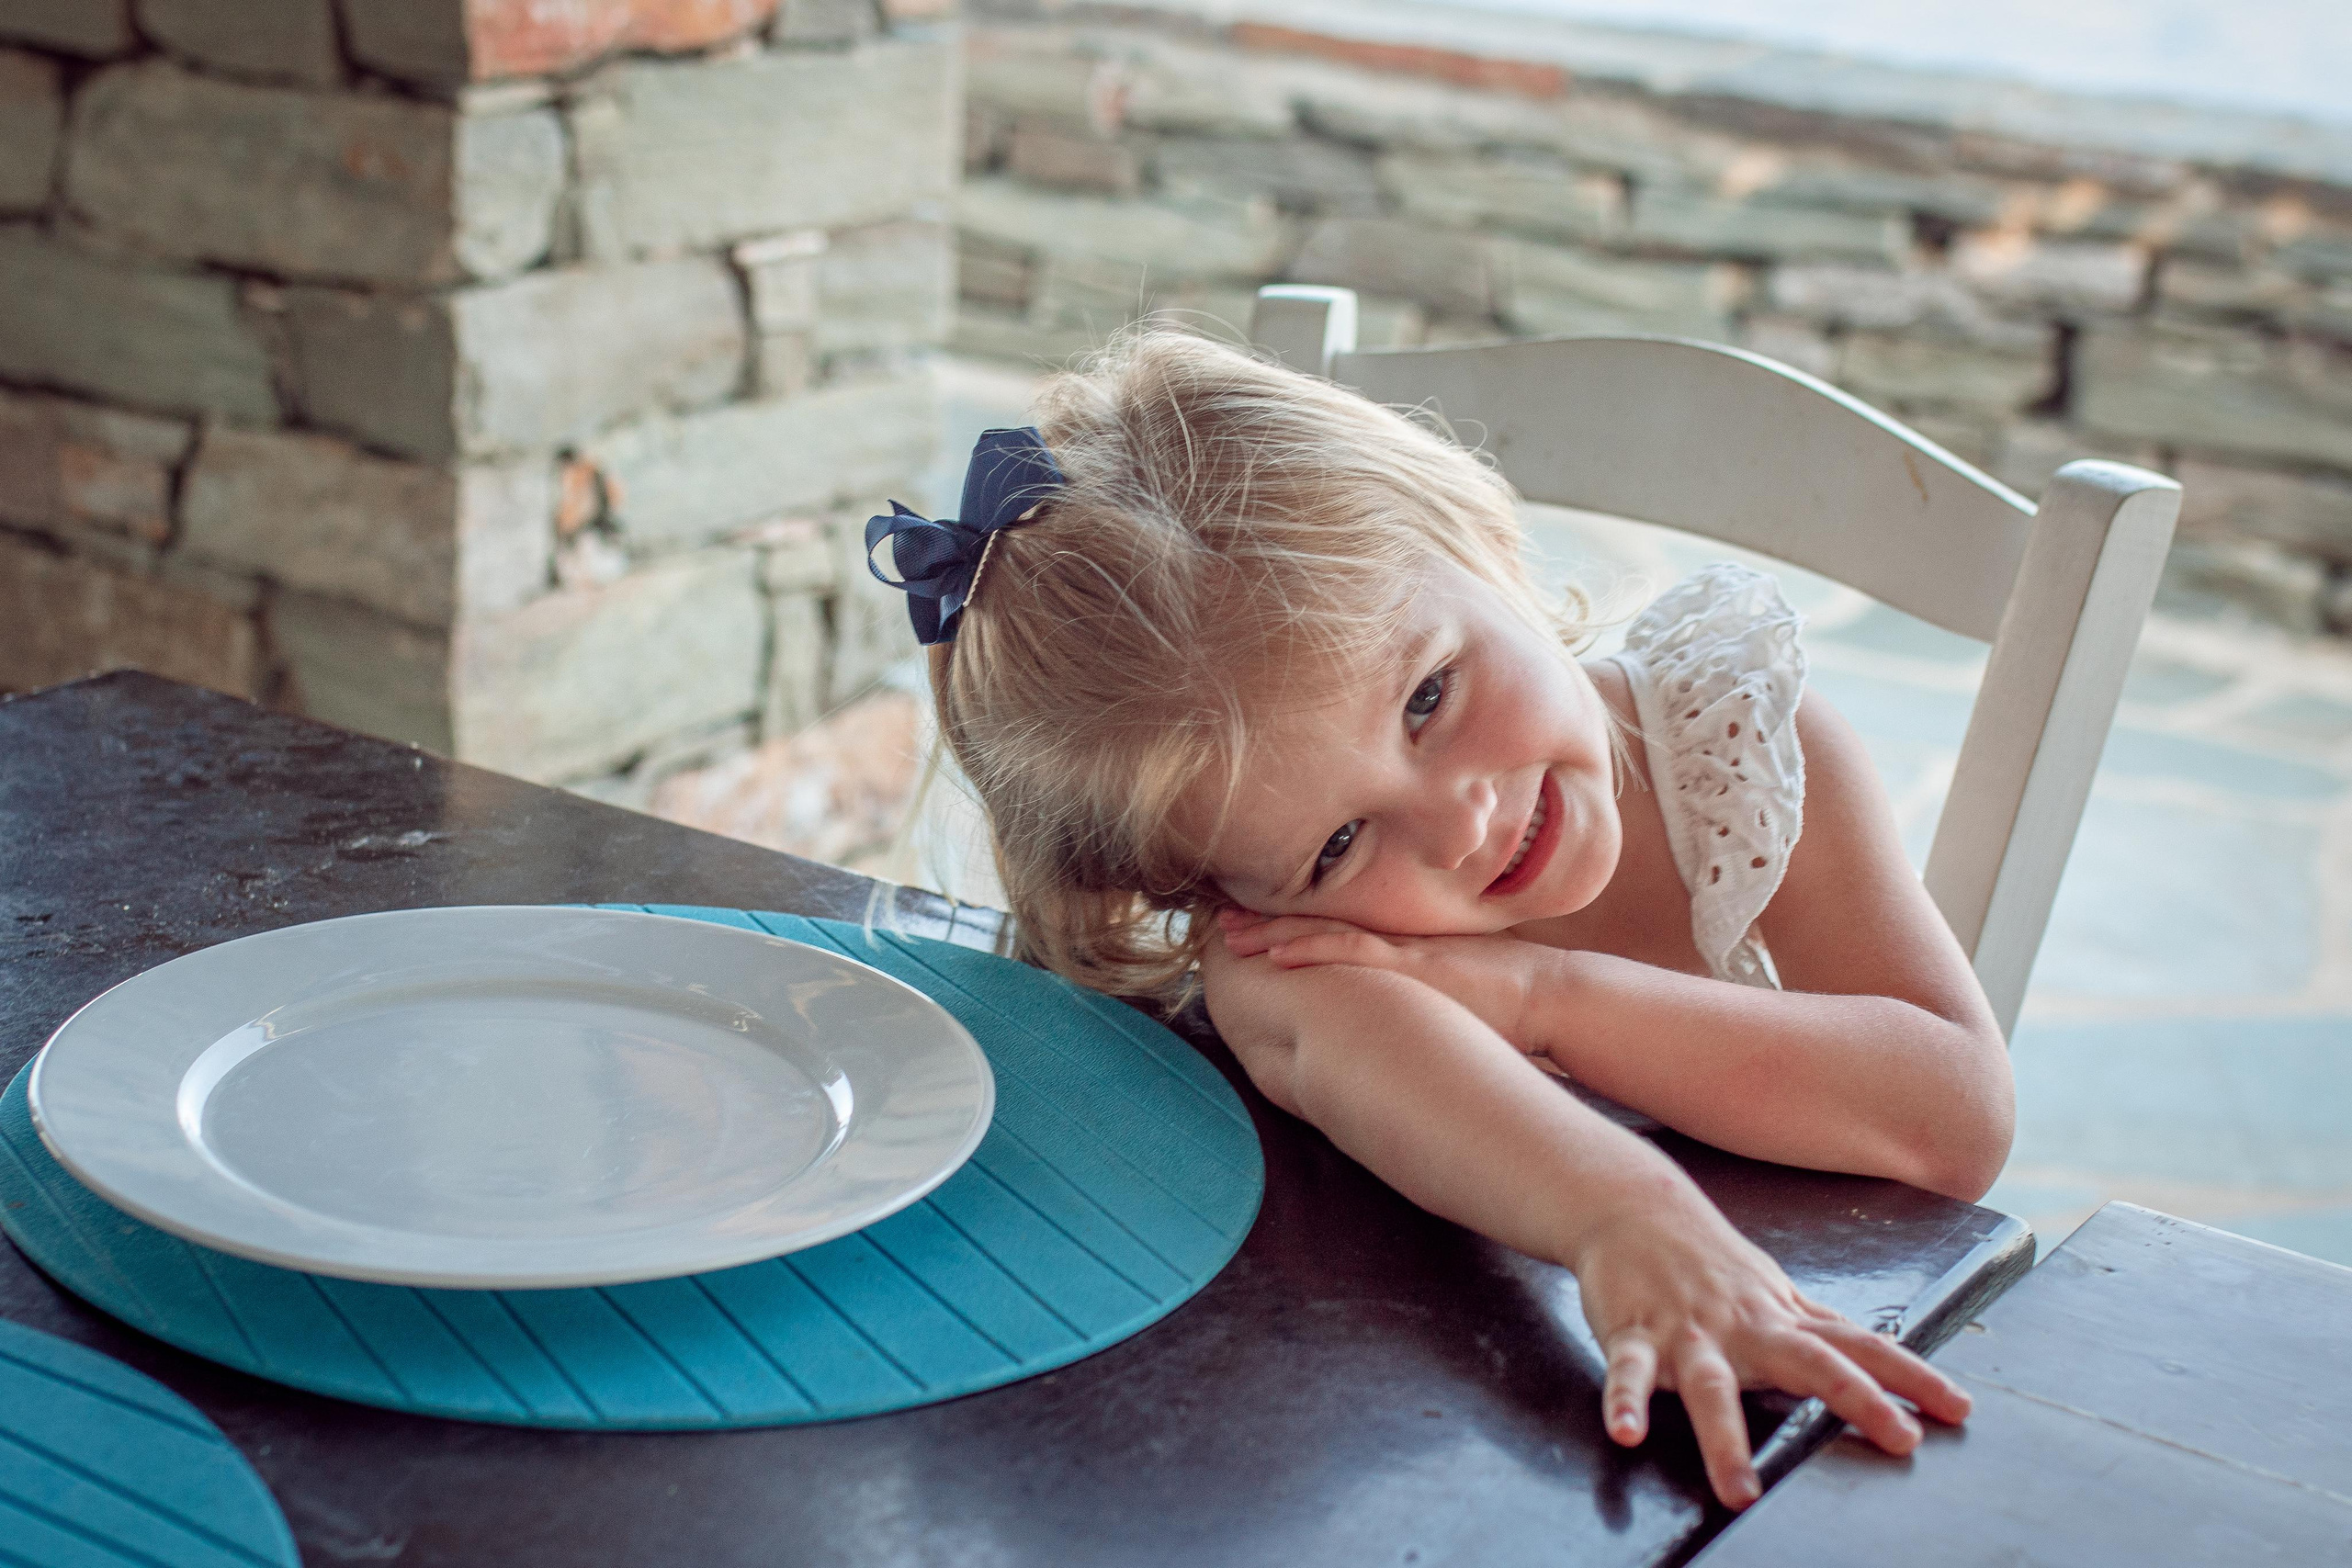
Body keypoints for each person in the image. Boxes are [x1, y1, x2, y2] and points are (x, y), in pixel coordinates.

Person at [868, 328, 2014, 1511]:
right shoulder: (1301, 950)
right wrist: (1628, 1224)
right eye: (1338, 843)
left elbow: (1955, 1118)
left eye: (1427, 696)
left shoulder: (1737, 750)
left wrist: (1537, 997)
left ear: (1470, 532)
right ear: (1220, 898)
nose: (1458, 822)